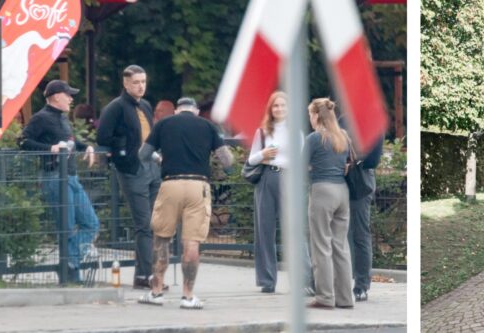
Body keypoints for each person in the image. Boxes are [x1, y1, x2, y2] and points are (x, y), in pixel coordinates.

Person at [136, 97, 234, 309]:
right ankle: (188, 296)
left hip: (170, 184)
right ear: (196, 111)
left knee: (161, 239)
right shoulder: (208, 126)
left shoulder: (163, 123)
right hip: (198, 186)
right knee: (191, 242)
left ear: (178, 110)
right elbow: (227, 161)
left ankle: (156, 292)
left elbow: (143, 154)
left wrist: (160, 158)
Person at [18, 80, 98, 282]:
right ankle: (71, 273)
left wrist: (85, 147)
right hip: (54, 176)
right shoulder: (41, 118)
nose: (71, 98)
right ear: (55, 96)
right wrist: (49, 148)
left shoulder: (62, 118)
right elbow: (22, 141)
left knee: (91, 224)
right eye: (68, 94)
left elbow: (69, 142)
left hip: (71, 177)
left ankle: (69, 264)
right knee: (68, 227)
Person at [97, 65, 162, 289]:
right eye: (136, 82)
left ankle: (148, 274)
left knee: (157, 223)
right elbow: (103, 135)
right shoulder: (115, 107)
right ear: (126, 84)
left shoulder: (145, 104)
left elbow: (150, 133)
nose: (141, 86)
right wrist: (123, 150)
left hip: (151, 165)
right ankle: (146, 276)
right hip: (132, 168)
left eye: (143, 81)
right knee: (144, 224)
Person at [247, 92, 315, 295]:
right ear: (270, 109)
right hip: (267, 178)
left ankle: (303, 281)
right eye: (275, 106)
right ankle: (267, 280)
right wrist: (263, 155)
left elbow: (301, 161)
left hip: (289, 179)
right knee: (264, 230)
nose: (279, 109)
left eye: (283, 105)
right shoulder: (262, 132)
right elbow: (251, 160)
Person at [305, 98, 355, 309]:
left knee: (321, 246)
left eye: (310, 115)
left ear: (316, 115)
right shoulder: (343, 137)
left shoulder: (315, 138)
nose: (310, 119)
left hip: (322, 191)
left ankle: (325, 297)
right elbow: (347, 163)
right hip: (342, 192)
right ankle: (345, 298)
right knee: (340, 246)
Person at [337, 111, 384, 302]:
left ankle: (362, 285)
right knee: (338, 233)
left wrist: (354, 162)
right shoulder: (342, 119)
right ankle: (338, 280)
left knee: (360, 233)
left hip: (360, 180)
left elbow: (373, 158)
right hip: (339, 179)